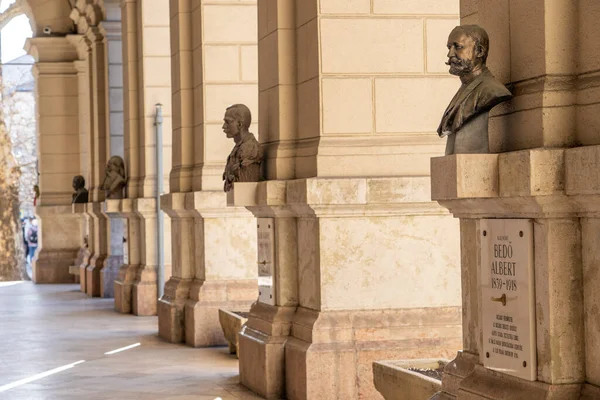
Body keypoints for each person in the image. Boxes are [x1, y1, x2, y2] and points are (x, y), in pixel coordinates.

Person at [438, 25, 512, 155]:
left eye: (458, 47)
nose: (450, 54)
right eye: (449, 47)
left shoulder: (491, 90)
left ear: (479, 51)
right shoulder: (464, 89)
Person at [222, 104, 263, 192]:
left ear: (240, 124)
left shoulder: (250, 149)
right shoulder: (238, 148)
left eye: (227, 122)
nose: (224, 126)